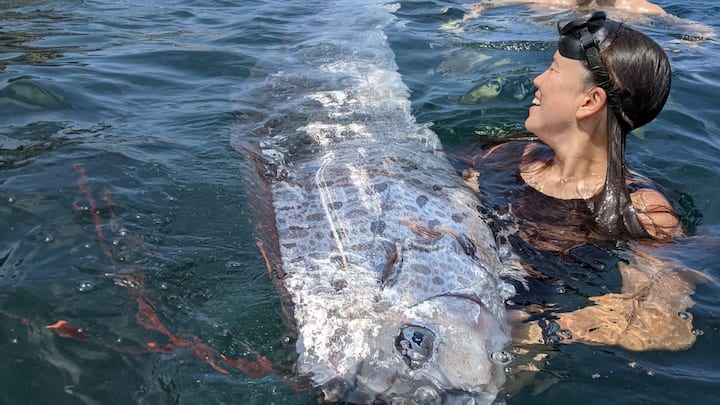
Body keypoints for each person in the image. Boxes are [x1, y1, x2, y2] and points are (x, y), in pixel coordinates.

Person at [459, 12, 700, 351]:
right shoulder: (505, 156)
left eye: (554, 70)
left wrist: (532, 330)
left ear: (590, 102)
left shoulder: (641, 211)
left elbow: (660, 324)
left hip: (520, 338)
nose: (537, 81)